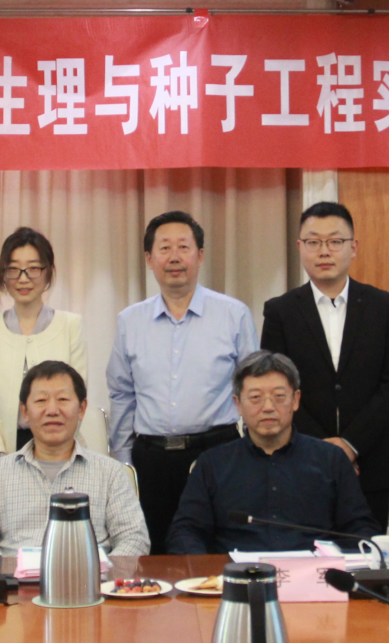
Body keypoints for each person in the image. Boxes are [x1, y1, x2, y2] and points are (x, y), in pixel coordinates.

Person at [107, 211, 258, 554]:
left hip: (217, 454)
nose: (174, 257)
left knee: (217, 552)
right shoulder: (130, 321)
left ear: (200, 255)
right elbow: (121, 394)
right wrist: (123, 463)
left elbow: (252, 390)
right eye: (164, 248)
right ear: (149, 259)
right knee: (154, 553)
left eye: (183, 247)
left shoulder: (233, 314)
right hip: (151, 460)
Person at [260, 201, 389, 529]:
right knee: (303, 551)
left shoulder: (383, 306)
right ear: (300, 247)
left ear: (353, 247)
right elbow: (276, 387)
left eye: (335, 241)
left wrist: (350, 445)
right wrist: (324, 449)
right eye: (313, 241)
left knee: (366, 551)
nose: (324, 251)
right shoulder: (281, 311)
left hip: (370, 461)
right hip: (300, 458)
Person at [167, 352, 377, 554]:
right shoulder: (212, 464)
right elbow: (186, 531)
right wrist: (205, 570)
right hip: (233, 573)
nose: (268, 407)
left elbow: (360, 528)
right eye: (255, 397)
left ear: (295, 400)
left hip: (315, 572)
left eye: (279, 396)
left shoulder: (331, 460)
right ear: (238, 404)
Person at [0, 361, 149, 556]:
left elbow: (134, 538)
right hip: (14, 573)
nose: (52, 410)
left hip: (90, 573)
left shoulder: (111, 473)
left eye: (62, 399)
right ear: (25, 411)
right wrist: (5, 569)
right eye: (41, 401)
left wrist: (101, 569)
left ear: (81, 409)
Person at [0, 227, 94, 461]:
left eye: (33, 268)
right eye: (13, 269)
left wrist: (56, 447)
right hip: (0, 452)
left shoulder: (70, 325)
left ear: (48, 273)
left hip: (59, 450)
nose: (23, 278)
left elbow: (76, 395)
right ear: (3, 274)